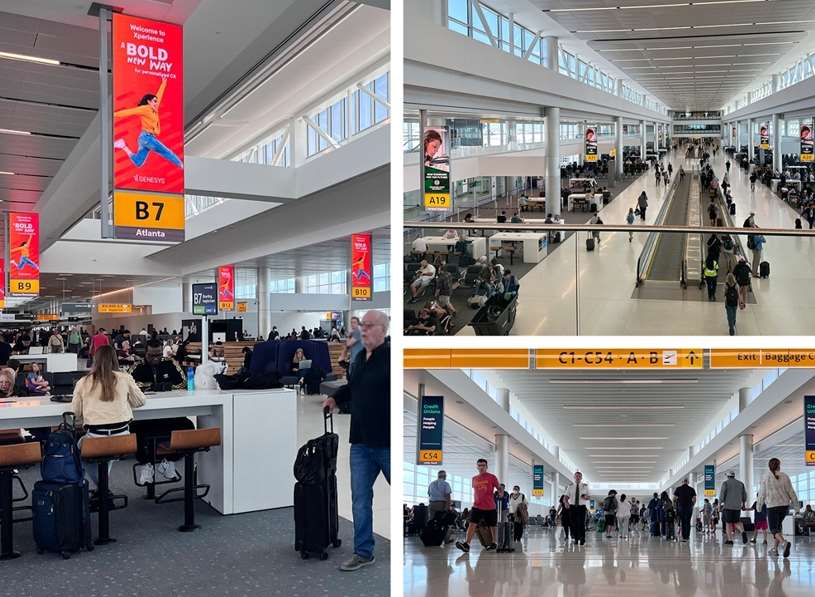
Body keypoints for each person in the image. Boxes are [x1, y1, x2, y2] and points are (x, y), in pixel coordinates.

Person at [323, 310, 389, 572]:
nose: (363, 329)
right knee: (360, 499)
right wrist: (335, 397)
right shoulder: (359, 357)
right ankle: (363, 552)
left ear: (382, 329)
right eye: (362, 324)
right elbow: (353, 386)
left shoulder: (392, 358)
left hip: (387, 443)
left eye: (369, 325)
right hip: (360, 443)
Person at [71, 345, 146, 492]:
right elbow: (140, 401)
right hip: (123, 438)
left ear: (95, 360)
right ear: (115, 359)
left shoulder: (83, 382)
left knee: (77, 452)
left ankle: (101, 489)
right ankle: (103, 490)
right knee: (109, 450)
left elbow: (75, 413)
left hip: (95, 437)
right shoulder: (125, 378)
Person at [113, 77, 183, 169]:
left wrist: (163, 84)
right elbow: (129, 112)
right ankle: (181, 164)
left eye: (156, 101)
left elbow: (159, 95)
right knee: (166, 151)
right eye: (154, 101)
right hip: (147, 138)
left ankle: (123, 146)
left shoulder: (154, 109)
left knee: (138, 162)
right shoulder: (145, 109)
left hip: (145, 139)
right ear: (148, 102)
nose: (156, 103)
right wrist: (114, 114)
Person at [454, 458, 500, 553]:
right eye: (479, 465)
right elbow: (477, 491)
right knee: (472, 524)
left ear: (486, 467)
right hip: (477, 505)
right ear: (477, 467)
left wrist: (500, 492)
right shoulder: (474, 478)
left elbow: (498, 487)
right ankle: (467, 544)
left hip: (490, 506)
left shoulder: (492, 477)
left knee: (492, 525)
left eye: (483, 465)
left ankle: (494, 542)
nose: (481, 467)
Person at [757, 458, 799, 558]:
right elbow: (791, 492)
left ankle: (784, 543)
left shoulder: (765, 477)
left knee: (773, 529)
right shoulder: (785, 476)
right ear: (779, 465)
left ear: (769, 466)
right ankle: (775, 549)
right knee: (778, 527)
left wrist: (759, 506)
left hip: (772, 506)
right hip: (784, 507)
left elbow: (762, 493)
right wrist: (796, 507)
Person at [565, 471, 590, 545]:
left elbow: (588, 497)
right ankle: (576, 538)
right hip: (572, 507)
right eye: (576, 476)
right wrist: (566, 502)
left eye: (579, 476)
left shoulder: (585, 486)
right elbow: (566, 496)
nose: (577, 477)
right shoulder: (570, 486)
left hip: (581, 507)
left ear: (581, 478)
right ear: (574, 477)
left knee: (581, 523)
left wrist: (586, 497)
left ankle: (582, 539)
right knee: (574, 523)